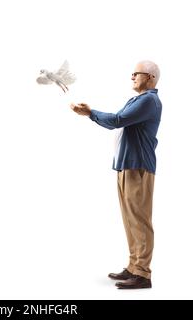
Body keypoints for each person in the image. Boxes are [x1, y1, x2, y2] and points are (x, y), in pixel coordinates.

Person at [70, 61, 162, 289]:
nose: (132, 76)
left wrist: (91, 113)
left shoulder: (149, 100)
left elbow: (118, 121)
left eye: (136, 73)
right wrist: (92, 114)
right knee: (130, 220)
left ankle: (143, 274)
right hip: (126, 166)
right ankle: (133, 267)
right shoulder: (138, 100)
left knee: (140, 221)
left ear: (150, 77)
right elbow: (118, 121)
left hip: (137, 167)